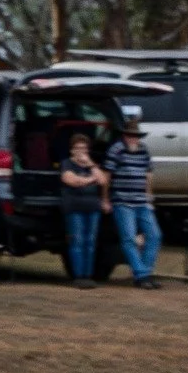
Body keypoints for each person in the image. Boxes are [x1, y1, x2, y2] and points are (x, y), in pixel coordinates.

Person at [104, 118, 161, 289]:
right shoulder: (116, 150)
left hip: (141, 201)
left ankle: (144, 272)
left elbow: (148, 174)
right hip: (123, 201)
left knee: (155, 235)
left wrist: (149, 195)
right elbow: (107, 176)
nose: (133, 139)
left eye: (135, 136)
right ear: (125, 136)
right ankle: (142, 274)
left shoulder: (144, 150)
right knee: (129, 238)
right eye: (130, 135)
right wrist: (105, 198)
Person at [59, 133, 110, 290]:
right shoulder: (67, 164)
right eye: (78, 148)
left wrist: (90, 165)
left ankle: (88, 275)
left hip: (93, 207)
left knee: (91, 241)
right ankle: (78, 275)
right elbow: (71, 180)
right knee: (77, 240)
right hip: (75, 207)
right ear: (72, 150)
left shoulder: (91, 165)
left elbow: (103, 180)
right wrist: (89, 180)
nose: (81, 151)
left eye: (84, 148)